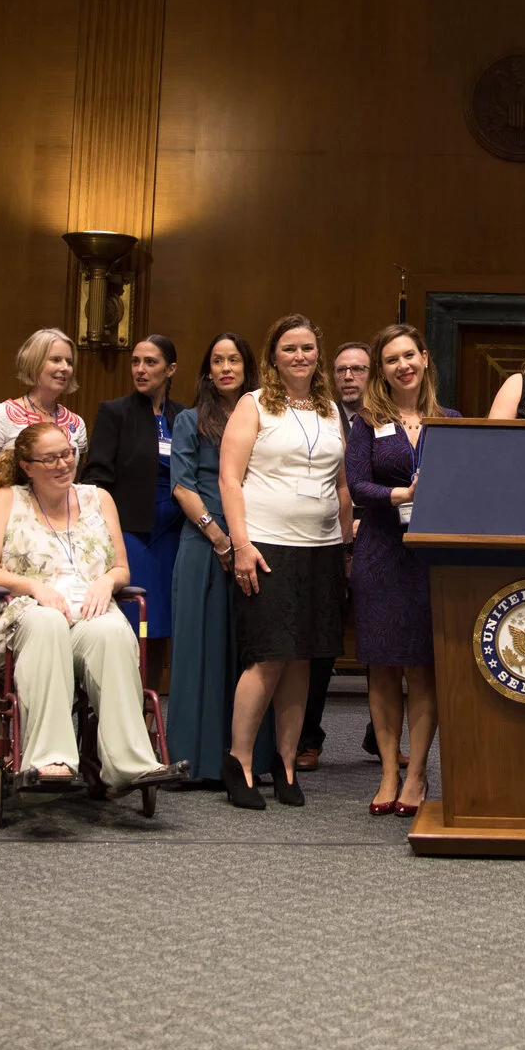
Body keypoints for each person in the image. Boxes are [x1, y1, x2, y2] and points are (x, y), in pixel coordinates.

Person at [0, 422, 183, 792]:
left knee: (112, 631)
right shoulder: (5, 500)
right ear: (27, 466)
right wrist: (34, 587)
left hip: (85, 614)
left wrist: (107, 581)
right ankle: (49, 759)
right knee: (47, 622)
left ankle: (130, 763)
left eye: (68, 453)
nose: (64, 463)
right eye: (50, 458)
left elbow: (121, 568)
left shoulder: (99, 499)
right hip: (17, 615)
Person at [221, 314, 352, 809]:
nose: (300, 356)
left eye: (308, 348)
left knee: (303, 658)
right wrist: (241, 545)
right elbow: (230, 479)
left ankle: (287, 762)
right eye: (289, 348)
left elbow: (342, 486)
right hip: (267, 545)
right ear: (273, 356)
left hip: (322, 548)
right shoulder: (253, 404)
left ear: (319, 355)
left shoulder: (330, 409)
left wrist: (345, 547)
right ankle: (239, 761)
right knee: (268, 657)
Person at [346, 323, 459, 815]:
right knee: (383, 669)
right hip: (380, 554)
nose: (402, 366)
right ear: (382, 370)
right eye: (391, 359)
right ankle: (390, 770)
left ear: (425, 358)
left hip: (429, 559)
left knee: (423, 668)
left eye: (409, 355)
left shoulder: (451, 421)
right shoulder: (367, 422)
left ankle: (417, 774)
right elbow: (356, 485)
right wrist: (401, 494)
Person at [164, 333, 255, 787]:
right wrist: (219, 538)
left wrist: (240, 541)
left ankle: (244, 757)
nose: (225, 368)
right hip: (205, 543)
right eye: (217, 361)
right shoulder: (190, 419)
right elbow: (182, 486)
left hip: (253, 540)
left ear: (246, 367)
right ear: (207, 371)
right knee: (199, 651)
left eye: (234, 360)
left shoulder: (262, 416)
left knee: (246, 651)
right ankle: (193, 760)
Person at [290, 339, 369, 772]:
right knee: (319, 645)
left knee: (383, 646)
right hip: (324, 542)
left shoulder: (384, 419)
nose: (348, 377)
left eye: (358, 369)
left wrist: (364, 524)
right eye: (341, 370)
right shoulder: (318, 416)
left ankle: (381, 736)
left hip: (377, 541)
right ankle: (308, 738)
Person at [85, 335, 188, 659]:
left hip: (175, 534)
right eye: (135, 362)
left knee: (162, 628)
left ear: (170, 369)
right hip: (131, 533)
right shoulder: (115, 412)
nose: (140, 369)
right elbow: (96, 478)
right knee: (132, 624)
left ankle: (151, 692)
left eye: (150, 362)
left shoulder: (184, 417)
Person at [0, 327, 87, 457]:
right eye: (56, 360)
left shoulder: (76, 423)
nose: (65, 368)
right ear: (34, 362)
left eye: (69, 362)